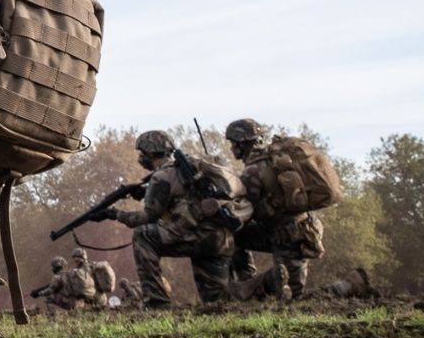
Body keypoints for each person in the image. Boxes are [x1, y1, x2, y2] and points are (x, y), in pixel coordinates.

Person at [93, 130, 236, 308]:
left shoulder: (161, 177)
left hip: (196, 236)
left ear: (151, 152)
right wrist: (146, 193)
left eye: (142, 153)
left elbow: (147, 218)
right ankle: (266, 283)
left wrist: (114, 214)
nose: (140, 157)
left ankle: (157, 302)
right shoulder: (187, 169)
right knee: (217, 301)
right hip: (221, 238)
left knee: (143, 236)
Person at [223, 119, 327, 302]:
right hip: (302, 230)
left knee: (293, 298)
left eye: (233, 143)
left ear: (241, 143)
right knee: (233, 235)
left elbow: (244, 213)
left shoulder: (252, 172)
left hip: (287, 236)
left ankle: (346, 287)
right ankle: (248, 282)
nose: (231, 148)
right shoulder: (276, 161)